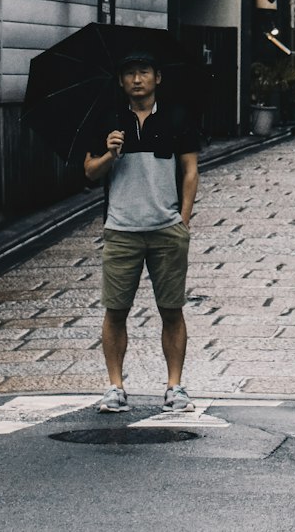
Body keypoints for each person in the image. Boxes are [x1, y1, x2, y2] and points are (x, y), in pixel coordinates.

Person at [84, 51, 200, 414]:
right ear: (121, 81)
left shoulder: (178, 117)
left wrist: (182, 220)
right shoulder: (107, 119)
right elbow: (89, 171)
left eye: (144, 72)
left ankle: (175, 386)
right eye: (129, 73)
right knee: (115, 311)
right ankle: (115, 386)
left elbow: (191, 171)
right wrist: (110, 154)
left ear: (157, 78)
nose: (137, 79)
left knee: (172, 309)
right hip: (121, 229)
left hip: (166, 230)